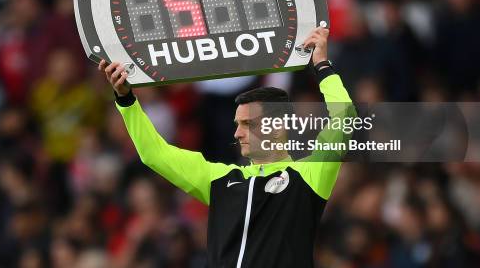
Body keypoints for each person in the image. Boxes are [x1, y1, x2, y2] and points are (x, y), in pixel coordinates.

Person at [98, 26, 354, 268]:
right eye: (236, 123)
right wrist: (127, 100)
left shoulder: (309, 175)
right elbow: (154, 153)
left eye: (246, 124)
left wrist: (322, 65)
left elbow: (345, 119)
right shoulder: (219, 179)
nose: (237, 132)